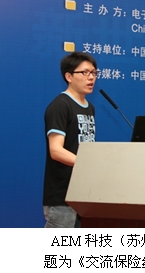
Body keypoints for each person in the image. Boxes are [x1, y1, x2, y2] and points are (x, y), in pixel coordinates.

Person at [43, 51, 98, 228]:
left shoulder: (89, 107)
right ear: (69, 76)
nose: (91, 77)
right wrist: (87, 163)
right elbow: (56, 150)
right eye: (85, 72)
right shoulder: (61, 105)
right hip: (62, 195)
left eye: (94, 72)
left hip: (83, 192)